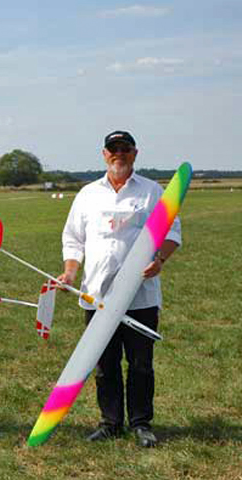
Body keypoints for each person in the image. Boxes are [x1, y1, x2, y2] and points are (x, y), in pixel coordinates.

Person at [57, 131, 181, 448]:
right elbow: (73, 239)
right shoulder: (87, 194)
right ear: (104, 154)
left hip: (140, 296)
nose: (119, 154)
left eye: (125, 149)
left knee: (141, 364)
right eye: (113, 149)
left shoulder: (152, 191)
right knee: (104, 365)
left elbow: (172, 232)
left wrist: (160, 260)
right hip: (96, 296)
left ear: (135, 153)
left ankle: (141, 423)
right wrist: (70, 273)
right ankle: (110, 423)